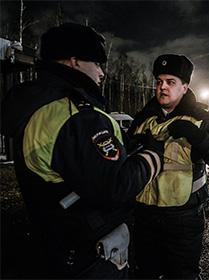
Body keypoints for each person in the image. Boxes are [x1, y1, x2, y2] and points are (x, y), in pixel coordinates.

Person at [0, 23, 163, 279]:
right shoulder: (77, 115)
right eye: (97, 63)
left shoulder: (39, 107)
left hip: (56, 245)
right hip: (88, 255)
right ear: (74, 61)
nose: (101, 73)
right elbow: (115, 187)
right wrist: (152, 156)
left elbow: (79, 161)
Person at [127, 54, 209, 279]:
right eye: (159, 81)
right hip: (144, 218)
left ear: (185, 86)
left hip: (183, 220)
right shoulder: (143, 119)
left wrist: (202, 139)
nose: (162, 87)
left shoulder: (202, 118)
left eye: (171, 82)